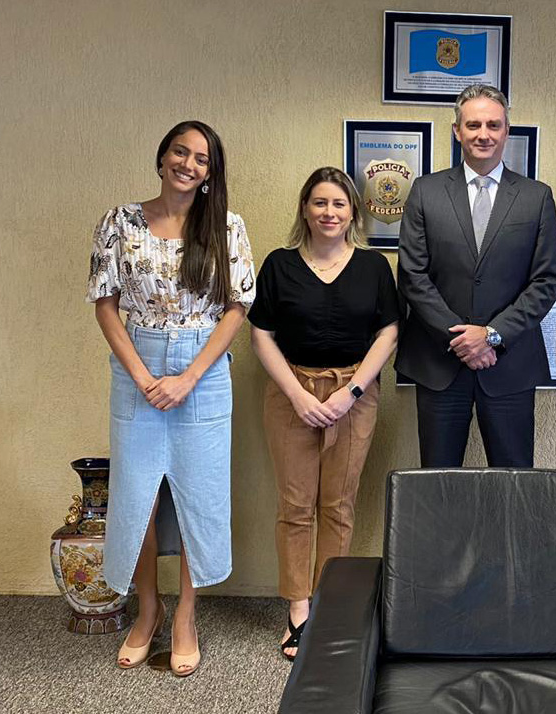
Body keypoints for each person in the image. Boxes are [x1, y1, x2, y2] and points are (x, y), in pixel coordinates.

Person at [86, 120, 255, 676]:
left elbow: (236, 308)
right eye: (181, 152)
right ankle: (148, 609)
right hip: (136, 367)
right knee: (137, 495)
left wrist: (188, 377)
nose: (189, 164)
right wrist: (142, 375)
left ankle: (185, 615)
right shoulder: (120, 221)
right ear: (162, 158)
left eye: (202, 159)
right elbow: (106, 304)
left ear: (210, 173)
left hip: (203, 372)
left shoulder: (226, 226)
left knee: (197, 497)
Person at [249, 167, 398, 661]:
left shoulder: (374, 267)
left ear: (353, 212)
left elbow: (388, 333)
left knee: (338, 504)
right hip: (292, 394)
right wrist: (297, 395)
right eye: (319, 203)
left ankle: (329, 604)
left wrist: (350, 392)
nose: (329, 212)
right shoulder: (280, 264)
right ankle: (298, 607)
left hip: (354, 396)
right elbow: (261, 335)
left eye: (338, 204)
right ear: (305, 209)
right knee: (295, 506)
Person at [396, 84, 556, 468]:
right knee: (438, 482)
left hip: (509, 365)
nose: (483, 134)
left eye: (493, 125)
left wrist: (490, 335)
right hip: (439, 364)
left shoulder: (536, 197)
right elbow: (413, 275)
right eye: (473, 125)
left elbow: (545, 280)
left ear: (506, 130)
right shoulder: (426, 191)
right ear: (457, 131)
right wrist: (461, 339)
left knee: (512, 483)